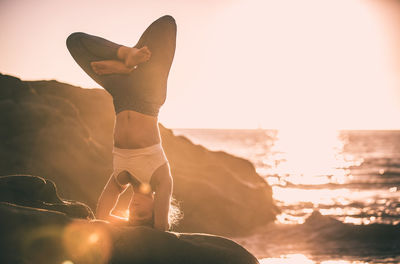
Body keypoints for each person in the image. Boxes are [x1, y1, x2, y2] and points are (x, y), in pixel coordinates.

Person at [66, 15, 177, 231]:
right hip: (149, 94)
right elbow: (162, 229)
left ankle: (124, 60)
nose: (134, 208)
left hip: (121, 93)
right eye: (143, 213)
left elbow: (102, 216)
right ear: (156, 206)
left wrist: (126, 226)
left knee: (74, 41)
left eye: (132, 214)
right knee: (167, 24)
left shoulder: (120, 178)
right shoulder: (162, 179)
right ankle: (128, 57)